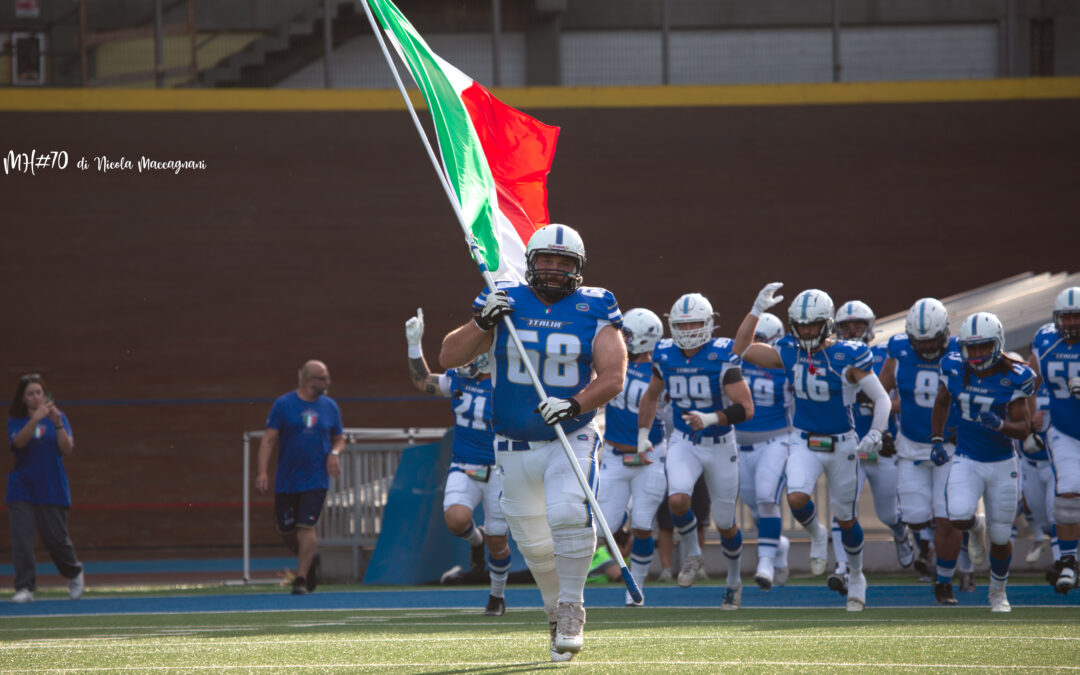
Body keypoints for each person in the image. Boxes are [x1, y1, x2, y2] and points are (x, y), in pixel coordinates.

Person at [439, 224, 625, 662]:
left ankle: (572, 608)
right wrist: (483, 321)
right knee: (534, 543)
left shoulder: (596, 306)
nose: (555, 269)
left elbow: (614, 376)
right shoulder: (503, 300)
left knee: (566, 512)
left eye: (565, 263)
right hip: (511, 442)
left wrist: (574, 404)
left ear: (578, 268)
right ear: (531, 261)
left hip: (570, 435)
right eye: (547, 260)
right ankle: (552, 610)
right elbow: (448, 357)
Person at [734, 284, 893, 612]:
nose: (805, 331)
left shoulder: (847, 354)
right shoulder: (788, 350)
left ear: (826, 323)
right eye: (801, 324)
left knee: (847, 518)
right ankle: (818, 534)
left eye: (811, 324)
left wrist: (877, 432)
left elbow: (881, 398)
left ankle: (857, 574)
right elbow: (742, 349)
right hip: (804, 440)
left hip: (842, 442)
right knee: (796, 498)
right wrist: (755, 311)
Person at [637, 292, 754, 610]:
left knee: (726, 522)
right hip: (685, 441)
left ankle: (733, 581)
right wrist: (643, 434)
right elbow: (651, 396)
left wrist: (712, 417)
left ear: (708, 324)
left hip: (720, 444)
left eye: (694, 323)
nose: (687, 330)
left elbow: (746, 409)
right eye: (682, 324)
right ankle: (693, 554)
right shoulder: (664, 354)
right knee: (677, 500)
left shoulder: (721, 355)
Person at [404, 307, 511, 616]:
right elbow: (422, 380)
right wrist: (414, 344)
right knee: (457, 520)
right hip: (465, 464)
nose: (461, 362)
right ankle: (474, 542)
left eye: (469, 355)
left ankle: (497, 594)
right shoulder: (458, 381)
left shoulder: (507, 386)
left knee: (499, 540)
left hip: (501, 470)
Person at [931, 312, 1035, 612]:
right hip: (967, 457)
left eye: (982, 348)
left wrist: (1001, 426)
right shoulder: (953, 367)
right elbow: (941, 401)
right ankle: (977, 528)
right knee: (959, 516)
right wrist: (937, 438)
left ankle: (998, 592)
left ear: (997, 345)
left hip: (1003, 463)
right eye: (971, 348)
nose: (975, 354)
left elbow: (1024, 427)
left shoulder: (1015, 376)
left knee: (1001, 538)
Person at [879, 298, 964, 604]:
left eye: (933, 341)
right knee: (915, 518)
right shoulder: (899, 349)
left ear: (946, 333)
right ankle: (965, 526)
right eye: (921, 342)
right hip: (911, 443)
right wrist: (883, 431)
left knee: (947, 520)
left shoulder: (962, 349)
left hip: (951, 445)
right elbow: (880, 394)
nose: (927, 349)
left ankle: (944, 582)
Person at [597, 307, 667, 606]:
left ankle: (635, 588)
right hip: (614, 455)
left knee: (642, 524)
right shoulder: (613, 364)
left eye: (627, 335)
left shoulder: (661, 368)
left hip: (649, 456)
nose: (621, 339)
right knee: (601, 527)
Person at [255, 360, 344, 595]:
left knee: (307, 528)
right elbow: (268, 439)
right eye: (323, 378)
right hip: (287, 479)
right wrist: (262, 471)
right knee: (286, 530)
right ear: (309, 380)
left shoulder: (330, 407)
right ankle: (309, 560)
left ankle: (301, 579)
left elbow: (339, 437)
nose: (327, 383)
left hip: (316, 479)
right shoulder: (284, 404)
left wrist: (334, 454)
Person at [7, 374, 84, 603]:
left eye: (38, 392)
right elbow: (19, 442)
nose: (35, 397)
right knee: (22, 539)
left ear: (45, 395)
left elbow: (67, 448)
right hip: (22, 488)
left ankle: (73, 572)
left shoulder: (58, 418)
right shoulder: (17, 420)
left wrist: (57, 423)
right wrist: (35, 420)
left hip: (51, 487)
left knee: (55, 539)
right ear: (23, 398)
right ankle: (25, 587)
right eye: (30, 394)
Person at [732, 311, 793, 591]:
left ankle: (765, 563)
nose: (756, 346)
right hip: (740, 444)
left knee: (768, 498)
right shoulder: (737, 362)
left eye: (762, 341)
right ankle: (778, 545)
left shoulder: (785, 366)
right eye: (753, 340)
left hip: (775, 441)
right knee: (755, 506)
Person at [1030, 286, 1080, 593]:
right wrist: (1032, 413)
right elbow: (1030, 381)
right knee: (1069, 490)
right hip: (1063, 428)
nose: (1072, 323)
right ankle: (1068, 561)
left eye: (1077, 317)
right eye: (1067, 317)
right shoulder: (1045, 340)